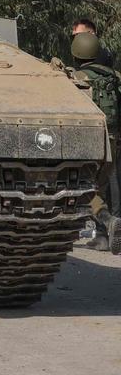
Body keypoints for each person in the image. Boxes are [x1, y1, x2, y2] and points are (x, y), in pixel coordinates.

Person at [70, 31, 121, 254]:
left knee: (81, 188)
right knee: (105, 185)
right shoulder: (115, 77)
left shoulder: (75, 78)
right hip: (113, 139)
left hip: (87, 142)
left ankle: (108, 221)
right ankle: (102, 236)